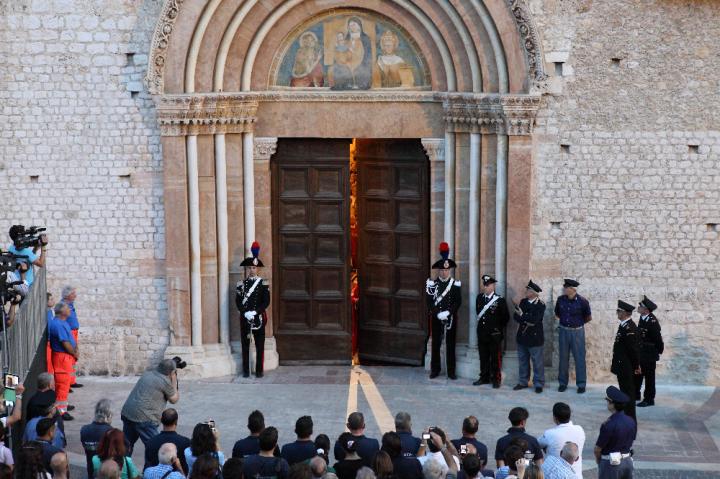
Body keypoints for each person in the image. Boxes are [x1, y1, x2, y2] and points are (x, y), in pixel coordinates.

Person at [121, 358, 179, 454]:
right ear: (172, 372)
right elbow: (174, 399)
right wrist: (174, 380)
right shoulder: (164, 381)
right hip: (145, 419)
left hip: (128, 413)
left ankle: (122, 467)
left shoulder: (148, 373)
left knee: (126, 446)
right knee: (156, 449)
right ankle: (151, 468)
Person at [426, 242, 462, 379]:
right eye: (441, 270)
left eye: (446, 270)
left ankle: (451, 371)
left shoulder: (455, 284)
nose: (444, 272)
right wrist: (438, 313)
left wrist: (448, 313)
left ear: (450, 270)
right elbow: (429, 302)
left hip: (450, 318)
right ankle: (435, 370)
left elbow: (458, 301)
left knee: (450, 345)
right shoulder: (432, 284)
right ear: (438, 271)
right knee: (435, 344)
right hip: (436, 318)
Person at [236, 242, 270, 378]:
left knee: (259, 345)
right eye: (250, 267)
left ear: (257, 269)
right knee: (245, 345)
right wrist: (245, 313)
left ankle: (259, 370)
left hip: (258, 318)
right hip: (245, 318)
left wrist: (255, 312)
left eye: (254, 267)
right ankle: (246, 370)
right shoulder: (241, 284)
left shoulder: (263, 283)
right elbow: (238, 301)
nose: (252, 270)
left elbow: (266, 301)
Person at [554, 279, 591, 394]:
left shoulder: (583, 301)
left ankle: (581, 384)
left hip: (577, 332)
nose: (564, 289)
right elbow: (557, 313)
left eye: (566, 287)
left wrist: (576, 324)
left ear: (572, 289)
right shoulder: (560, 300)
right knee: (563, 358)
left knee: (579, 358)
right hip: (564, 331)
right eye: (564, 287)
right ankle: (562, 383)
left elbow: (588, 317)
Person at [473, 275, 510, 388]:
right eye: (485, 285)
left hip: (494, 334)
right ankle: (484, 377)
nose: (486, 287)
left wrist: (497, 329)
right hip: (482, 333)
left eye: (488, 285)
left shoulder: (500, 300)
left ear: (493, 286)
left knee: (495, 358)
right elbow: (478, 313)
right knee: (483, 357)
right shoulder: (479, 298)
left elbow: (506, 317)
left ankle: (496, 379)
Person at [594, 387, 636, 479]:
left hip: (611, 465)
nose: (607, 403)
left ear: (613, 405)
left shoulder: (608, 424)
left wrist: (599, 461)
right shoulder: (631, 421)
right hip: (627, 461)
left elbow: (598, 449)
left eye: (608, 401)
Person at [513, 280, 546, 393]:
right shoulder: (523, 302)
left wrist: (523, 316)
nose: (526, 291)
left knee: (537, 362)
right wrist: (526, 318)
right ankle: (523, 382)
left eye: (528, 290)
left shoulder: (540, 305)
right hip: (522, 336)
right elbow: (516, 317)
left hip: (535, 338)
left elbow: (535, 320)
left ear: (533, 293)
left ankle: (538, 383)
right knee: (523, 361)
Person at [48, 301, 79, 419]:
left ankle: (63, 405)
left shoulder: (62, 322)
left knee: (65, 384)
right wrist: (74, 352)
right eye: (67, 309)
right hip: (62, 357)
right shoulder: (58, 324)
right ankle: (61, 411)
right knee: (62, 384)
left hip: (66, 357)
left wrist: (75, 350)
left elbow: (70, 339)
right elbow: (65, 343)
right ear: (62, 312)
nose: (69, 310)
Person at [537, 403, 585, 479]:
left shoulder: (549, 434)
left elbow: (536, 445)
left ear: (554, 418)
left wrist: (545, 449)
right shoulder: (580, 430)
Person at [612, 300, 640, 424]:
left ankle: (630, 420)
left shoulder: (630, 328)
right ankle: (626, 417)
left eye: (618, 311)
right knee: (624, 392)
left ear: (624, 313)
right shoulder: (624, 325)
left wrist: (636, 366)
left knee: (628, 394)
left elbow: (633, 350)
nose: (617, 313)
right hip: (622, 365)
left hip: (627, 367)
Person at [635, 296, 664, 407]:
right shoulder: (643, 318)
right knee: (638, 374)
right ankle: (636, 394)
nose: (639, 307)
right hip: (642, 352)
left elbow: (658, 339)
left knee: (649, 377)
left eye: (641, 306)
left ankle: (649, 399)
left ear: (646, 310)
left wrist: (658, 351)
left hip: (649, 353)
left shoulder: (652, 322)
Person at [145, 408, 192, 473]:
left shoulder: (150, 442)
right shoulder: (186, 442)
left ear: (161, 420)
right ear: (176, 422)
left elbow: (147, 465)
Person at [82, 399, 116, 478]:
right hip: (107, 473)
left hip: (91, 471)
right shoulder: (111, 432)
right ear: (109, 415)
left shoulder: (84, 429)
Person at [61, 285, 84, 389]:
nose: (75, 296)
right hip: (69, 333)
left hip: (74, 332)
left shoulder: (70, 304)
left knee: (72, 358)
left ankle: (71, 381)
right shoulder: (63, 306)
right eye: (73, 294)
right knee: (68, 357)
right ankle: (66, 384)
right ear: (67, 295)